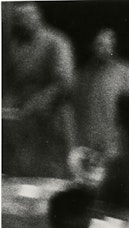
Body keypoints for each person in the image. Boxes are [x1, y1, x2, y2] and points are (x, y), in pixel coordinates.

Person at [2, 3, 76, 178]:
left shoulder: (56, 42)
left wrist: (34, 104)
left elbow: (62, 84)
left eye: (27, 16)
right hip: (25, 125)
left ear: (37, 16)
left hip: (52, 120)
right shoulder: (16, 47)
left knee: (53, 175)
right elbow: (12, 83)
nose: (22, 21)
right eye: (18, 18)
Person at [72, 28, 129, 158]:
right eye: (100, 44)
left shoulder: (128, 72)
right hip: (86, 142)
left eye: (110, 44)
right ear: (91, 46)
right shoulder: (80, 75)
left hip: (116, 143)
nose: (106, 49)